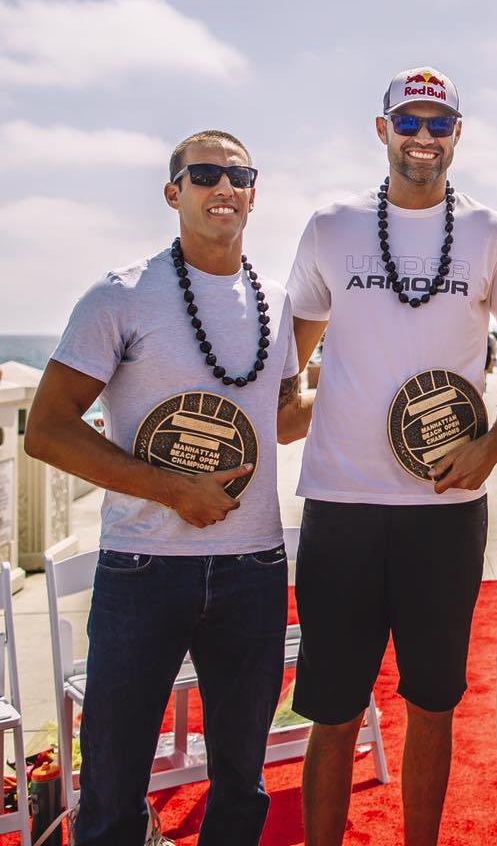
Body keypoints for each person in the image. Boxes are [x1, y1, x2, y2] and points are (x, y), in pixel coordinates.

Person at [24, 130, 307, 845]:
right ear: (173, 191)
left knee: (242, 784)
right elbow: (48, 430)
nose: (223, 187)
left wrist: (357, 381)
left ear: (254, 190)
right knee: (115, 790)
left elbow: (279, 421)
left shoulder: (275, 303)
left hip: (254, 568)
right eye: (204, 173)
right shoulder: (120, 295)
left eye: (238, 174)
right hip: (143, 570)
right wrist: (172, 489)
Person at [285, 66, 497, 846]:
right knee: (332, 709)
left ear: (458, 134)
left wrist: (492, 447)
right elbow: (287, 356)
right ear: (381, 128)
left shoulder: (492, 234)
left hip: (444, 510)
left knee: (433, 703)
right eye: (409, 123)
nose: (423, 139)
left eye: (439, 125)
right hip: (342, 504)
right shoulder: (331, 225)